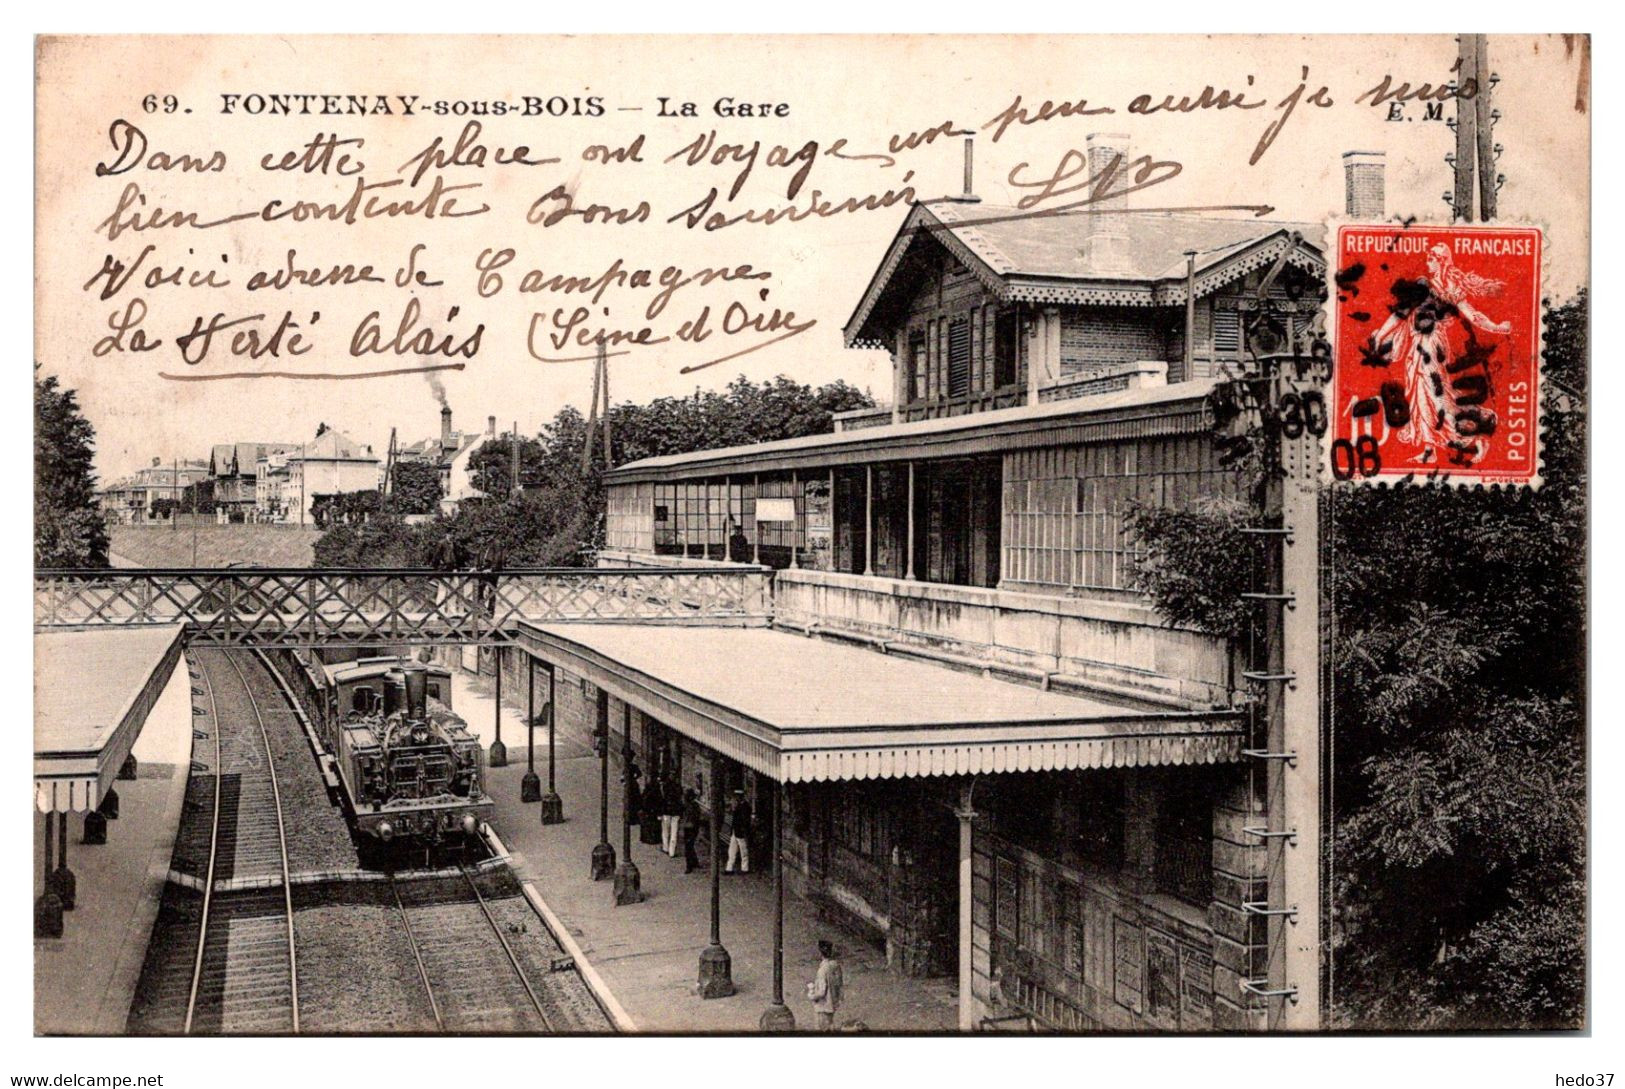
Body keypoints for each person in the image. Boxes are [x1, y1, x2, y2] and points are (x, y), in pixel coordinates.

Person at [806, 940, 843, 1031]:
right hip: (833, 1003)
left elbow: (822, 992)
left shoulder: (822, 970)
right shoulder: (836, 965)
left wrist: (811, 995)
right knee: (830, 1024)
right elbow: (839, 984)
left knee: (822, 1028)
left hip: (823, 1005)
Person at [724, 788, 752, 874]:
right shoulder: (739, 806)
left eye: (737, 797)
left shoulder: (745, 806)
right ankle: (729, 868)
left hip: (741, 832)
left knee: (743, 851)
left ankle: (745, 868)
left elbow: (745, 821)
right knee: (732, 850)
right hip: (736, 831)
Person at [659, 770, 683, 858]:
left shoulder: (665, 786)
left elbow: (662, 800)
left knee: (665, 831)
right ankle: (671, 852)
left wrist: (660, 813)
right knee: (674, 833)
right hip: (675, 813)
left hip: (667, 812)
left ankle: (665, 848)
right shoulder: (678, 787)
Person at [681, 787, 702, 873]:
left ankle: (689, 865)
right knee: (689, 845)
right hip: (691, 827)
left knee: (688, 846)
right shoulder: (693, 805)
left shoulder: (689, 805)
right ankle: (694, 862)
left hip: (690, 827)